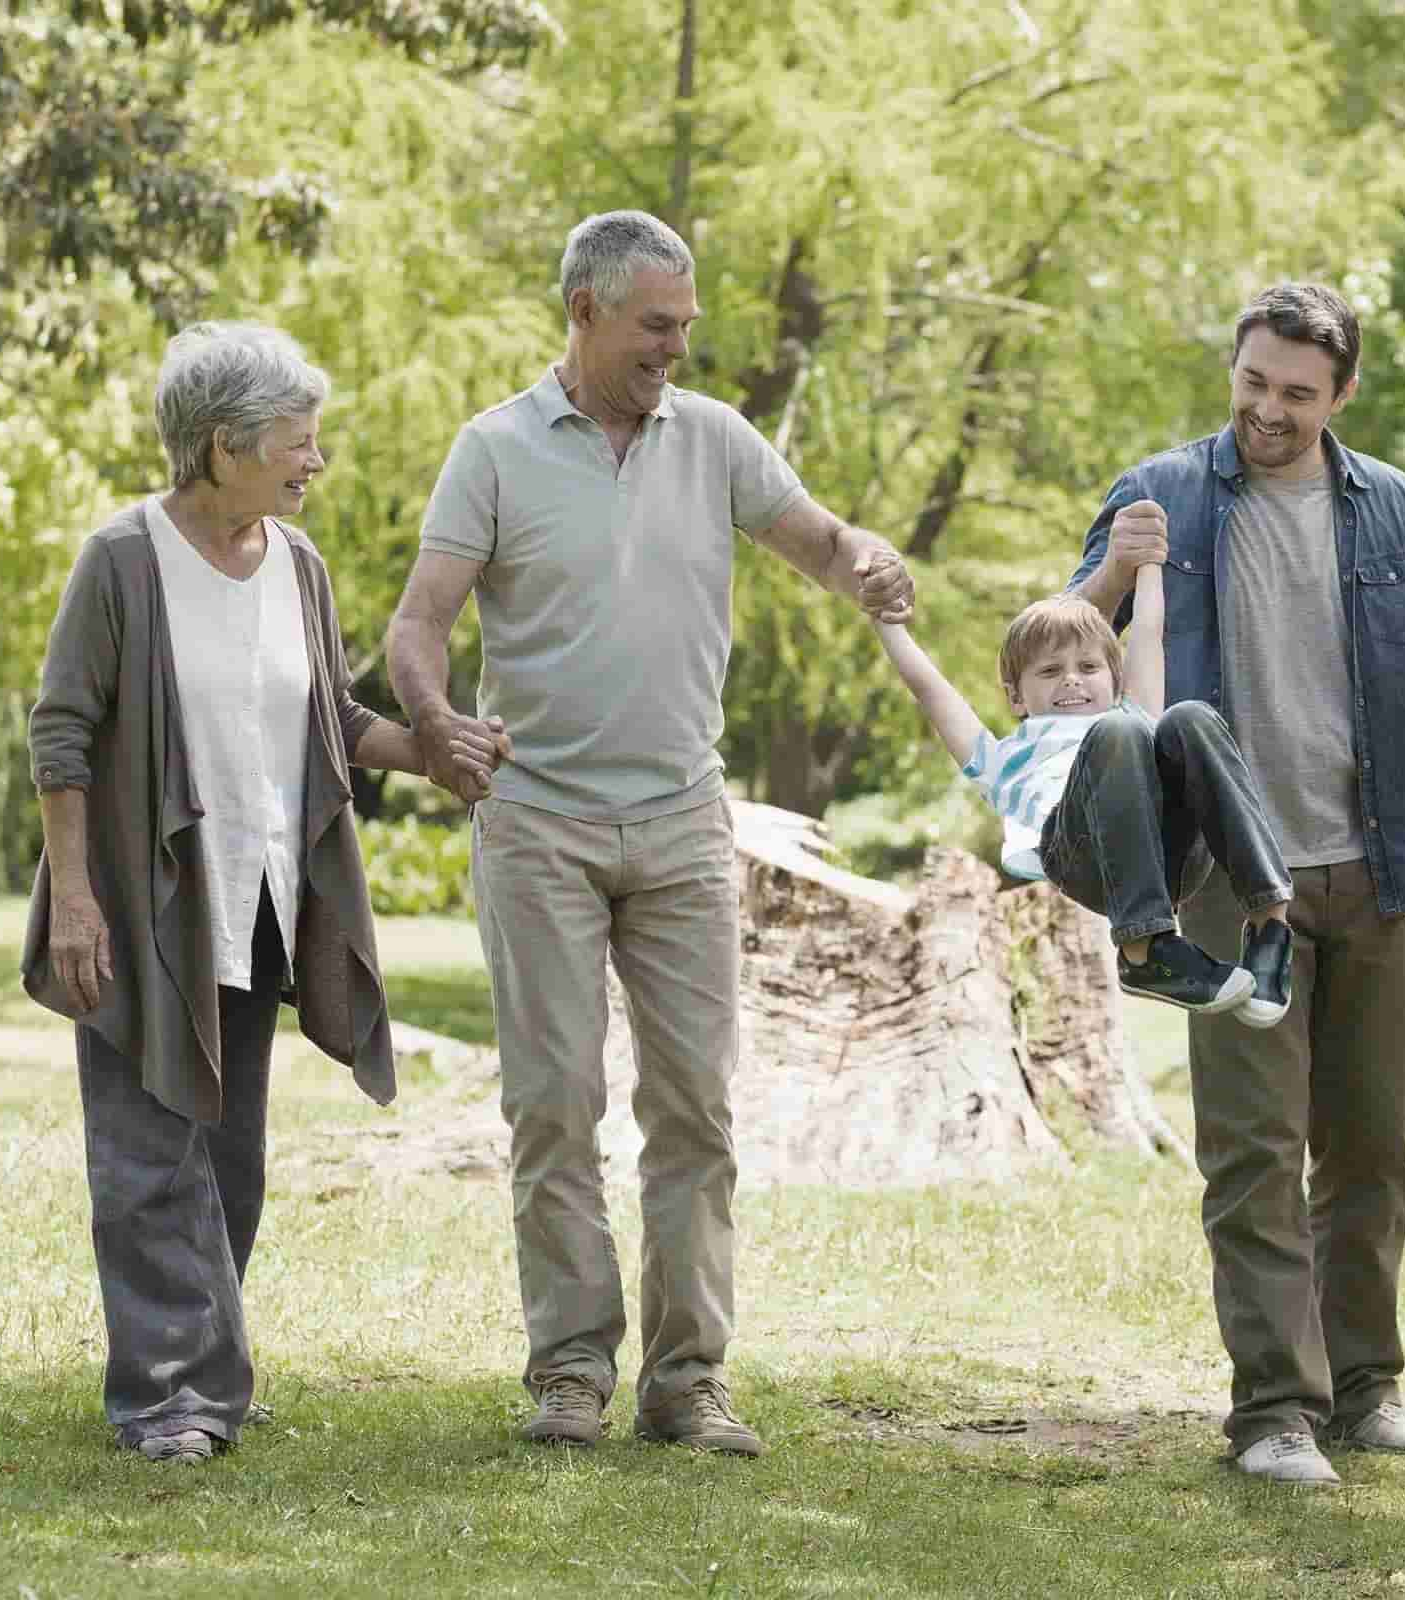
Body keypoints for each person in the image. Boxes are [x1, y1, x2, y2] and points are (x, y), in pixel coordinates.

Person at [386, 210, 914, 1456]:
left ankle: (689, 1379)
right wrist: (438, 722)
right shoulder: (496, 450)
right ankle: (571, 1368)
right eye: (655, 325)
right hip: (540, 822)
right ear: (584, 310)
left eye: (685, 325)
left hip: (681, 820)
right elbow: (420, 626)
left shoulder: (715, 441)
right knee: (554, 1104)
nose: (675, 347)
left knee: (694, 1110)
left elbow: (821, 544)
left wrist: (869, 564)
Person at [24, 321, 505, 1466]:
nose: (316, 462)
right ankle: (168, 1396)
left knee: (230, 1159)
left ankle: (199, 1366)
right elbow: (62, 734)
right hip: (144, 907)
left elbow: (329, 719)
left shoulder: (298, 563)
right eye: (299, 442)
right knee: (148, 1159)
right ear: (225, 444)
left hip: (259, 899)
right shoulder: (124, 560)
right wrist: (77, 899)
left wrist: (430, 750)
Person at [1069, 282, 1405, 1485]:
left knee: (1370, 1144)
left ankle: (1368, 1389)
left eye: (1298, 394)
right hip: (1227, 871)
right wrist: (1113, 573)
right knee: (1256, 1149)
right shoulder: (1162, 491)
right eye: (1254, 383)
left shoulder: (1396, 511)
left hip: (1367, 865)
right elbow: (1060, 654)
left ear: (1343, 394)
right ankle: (1272, 1408)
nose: (1269, 410)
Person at [874, 560, 1295, 1023]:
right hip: (1085, 861)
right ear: (1016, 697)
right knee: (1118, 733)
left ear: (1114, 681)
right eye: (1050, 670)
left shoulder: (1133, 712)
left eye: (1088, 666)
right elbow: (931, 690)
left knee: (1189, 717)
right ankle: (1143, 952)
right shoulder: (1005, 759)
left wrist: (1149, 561)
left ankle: (1269, 923)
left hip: (1173, 854)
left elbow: (1149, 632)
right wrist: (886, 621)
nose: (1072, 678)